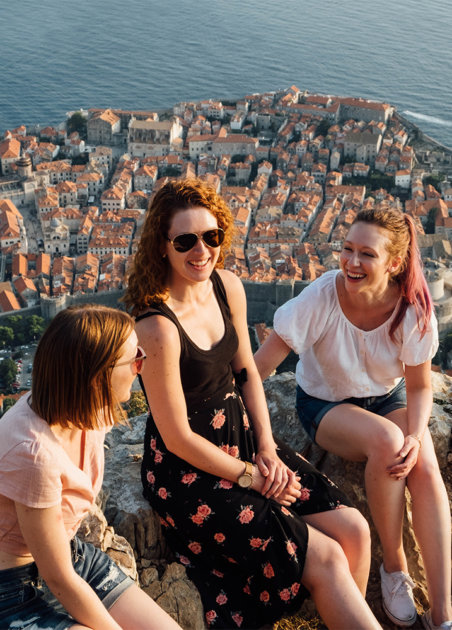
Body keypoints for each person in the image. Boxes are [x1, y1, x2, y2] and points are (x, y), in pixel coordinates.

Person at [124, 178, 383, 630]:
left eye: (211, 237)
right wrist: (253, 477)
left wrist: (265, 447)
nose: (201, 250)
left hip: (242, 439)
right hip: (189, 472)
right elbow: (177, 437)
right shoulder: (156, 326)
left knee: (355, 530)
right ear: (162, 247)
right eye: (185, 241)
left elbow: (246, 372)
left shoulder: (226, 287)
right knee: (324, 557)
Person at [254, 208, 452, 630]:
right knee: (387, 442)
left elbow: (419, 387)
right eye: (347, 249)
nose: (352, 262)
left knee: (423, 464)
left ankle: (442, 613)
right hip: (324, 403)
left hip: (387, 397)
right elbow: (261, 366)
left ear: (394, 263)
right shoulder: (322, 296)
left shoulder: (411, 307)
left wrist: (417, 436)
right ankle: (394, 568)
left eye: (367, 254)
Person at [0, 304, 182, 630]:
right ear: (98, 375)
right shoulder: (34, 453)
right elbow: (58, 578)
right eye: (134, 359)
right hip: (13, 591)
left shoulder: (90, 410)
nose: (141, 366)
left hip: (72, 559)